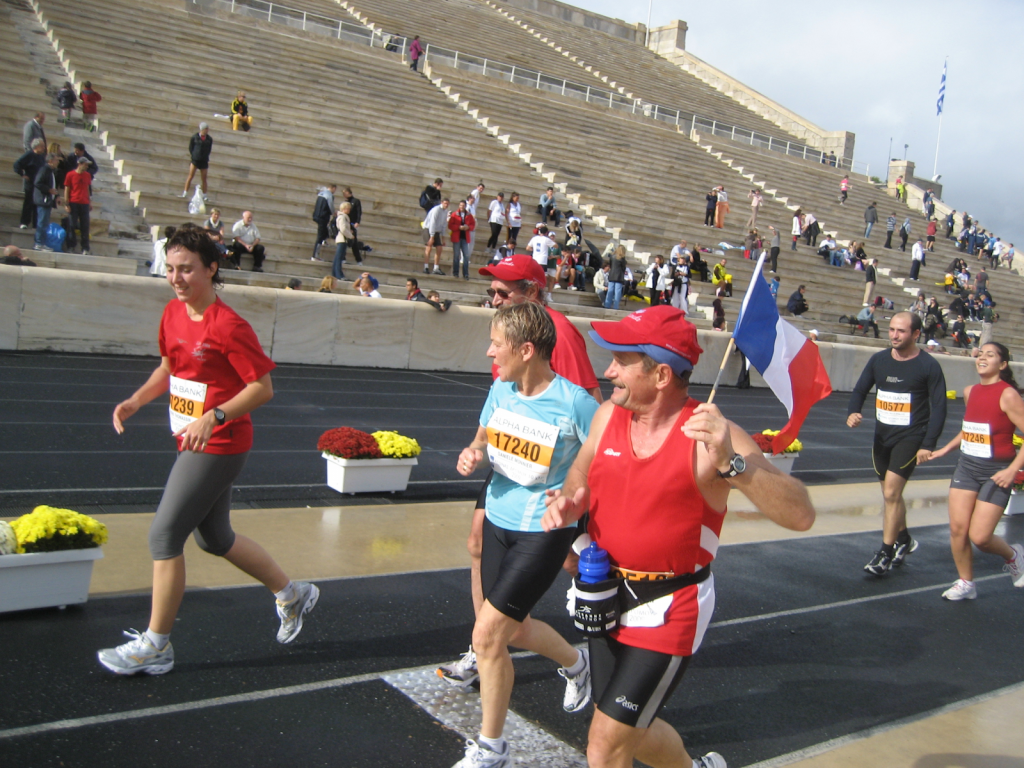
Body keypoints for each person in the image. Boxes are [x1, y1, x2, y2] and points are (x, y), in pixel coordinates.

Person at [541, 304, 815, 768]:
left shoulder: (712, 437)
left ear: (662, 375)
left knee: (605, 745)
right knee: (630, 729)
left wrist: (732, 464)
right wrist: (571, 503)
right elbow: (580, 475)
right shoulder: (608, 415)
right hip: (602, 591)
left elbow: (801, 513)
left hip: (668, 606)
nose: (608, 371)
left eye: (621, 361)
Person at [98, 224, 319, 675]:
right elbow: (169, 368)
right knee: (215, 538)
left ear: (211, 269)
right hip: (190, 437)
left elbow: (262, 388)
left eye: (186, 269)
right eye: (170, 269)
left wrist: (214, 416)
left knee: (163, 536)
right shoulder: (172, 313)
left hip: (221, 442)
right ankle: (291, 593)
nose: (176, 278)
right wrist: (136, 400)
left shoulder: (228, 326)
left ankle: (156, 645)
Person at [436, 254, 601, 698]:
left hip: (548, 487)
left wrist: (576, 495)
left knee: (551, 566)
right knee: (478, 542)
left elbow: (593, 413)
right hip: (508, 474)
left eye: (503, 291)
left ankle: (492, 638)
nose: (494, 297)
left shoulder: (558, 335)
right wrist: (475, 450)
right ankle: (486, 643)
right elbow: (490, 423)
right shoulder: (505, 352)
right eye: (491, 291)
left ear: (531, 292)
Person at [920, 343, 1024, 599]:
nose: (982, 357)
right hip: (967, 467)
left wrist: (1012, 470)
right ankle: (966, 583)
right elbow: (970, 428)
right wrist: (946, 449)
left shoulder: (1008, 395)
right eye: (980, 353)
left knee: (980, 537)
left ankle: (1014, 555)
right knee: (957, 529)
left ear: (1002, 364)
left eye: (991, 354)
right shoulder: (970, 391)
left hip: (996, 471)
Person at [847, 312, 947, 575]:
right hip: (882, 437)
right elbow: (860, 389)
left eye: (901, 331)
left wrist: (928, 444)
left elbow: (939, 407)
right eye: (892, 329)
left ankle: (885, 553)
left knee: (891, 494)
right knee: (890, 495)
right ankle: (904, 540)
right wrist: (853, 411)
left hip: (911, 437)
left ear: (916, 334)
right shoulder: (879, 360)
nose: (894, 335)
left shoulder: (928, 365)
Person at [61, 156, 94, 255]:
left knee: (85, 226)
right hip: (73, 202)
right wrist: (66, 203)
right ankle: (71, 246)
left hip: (84, 203)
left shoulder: (87, 175)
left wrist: (89, 202)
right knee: (71, 225)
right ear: (80, 164)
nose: (87, 167)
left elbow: (87, 189)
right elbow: (67, 189)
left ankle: (85, 247)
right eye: (85, 164)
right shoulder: (70, 175)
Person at [13, 138, 47, 229]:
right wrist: (23, 174)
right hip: (31, 183)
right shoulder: (29, 155)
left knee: (37, 204)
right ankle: (24, 222)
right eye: (42, 146)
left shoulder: (41, 157)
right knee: (28, 203)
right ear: (37, 146)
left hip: (39, 185)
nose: (44, 148)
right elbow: (17, 164)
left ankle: (36, 224)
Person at [32, 153, 60, 251]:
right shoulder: (44, 170)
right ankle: (39, 243)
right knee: (42, 223)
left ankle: (42, 243)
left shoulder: (50, 171)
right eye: (56, 160)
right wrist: (48, 190)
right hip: (43, 200)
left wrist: (56, 195)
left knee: (44, 223)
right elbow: (37, 182)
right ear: (50, 161)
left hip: (48, 201)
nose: (58, 162)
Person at [182, 123, 212, 200]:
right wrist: (194, 155)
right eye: (206, 129)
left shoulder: (209, 139)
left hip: (204, 160)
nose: (207, 130)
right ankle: (185, 192)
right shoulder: (194, 137)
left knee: (204, 178)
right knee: (190, 176)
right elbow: (191, 147)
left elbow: (209, 149)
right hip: (195, 160)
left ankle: (204, 195)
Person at [448, 199, 476, 280]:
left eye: (463, 205)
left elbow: (473, 224)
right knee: (456, 256)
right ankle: (455, 272)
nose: (461, 207)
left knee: (466, 256)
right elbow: (450, 225)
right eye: (460, 205)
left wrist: (468, 227)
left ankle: (466, 274)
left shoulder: (469, 215)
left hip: (465, 238)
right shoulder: (454, 214)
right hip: (457, 237)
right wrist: (458, 227)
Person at [422, 197, 449, 275]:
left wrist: (443, 238)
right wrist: (432, 237)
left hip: (437, 231)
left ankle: (436, 268)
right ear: (442, 203)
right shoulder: (436, 210)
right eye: (445, 203)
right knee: (429, 247)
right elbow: (432, 223)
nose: (446, 205)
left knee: (439, 248)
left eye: (447, 204)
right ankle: (426, 267)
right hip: (428, 229)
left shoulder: (445, 212)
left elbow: (444, 225)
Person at [526, 225, 557, 293]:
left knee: (533, 276)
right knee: (542, 277)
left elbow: (527, 248)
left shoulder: (534, 238)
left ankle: (531, 290)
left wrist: (534, 250)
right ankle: (539, 291)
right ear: (546, 233)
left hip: (535, 259)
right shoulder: (546, 239)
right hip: (542, 260)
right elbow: (556, 246)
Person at [311, 184, 336, 261]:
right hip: (323, 217)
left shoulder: (321, 193)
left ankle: (324, 239)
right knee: (320, 236)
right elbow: (330, 205)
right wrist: (334, 213)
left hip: (317, 215)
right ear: (333, 188)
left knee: (324, 231)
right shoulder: (329, 195)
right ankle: (315, 255)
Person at [341, 186, 364, 265]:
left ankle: (359, 260)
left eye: (345, 193)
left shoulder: (356, 201)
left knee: (354, 242)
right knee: (344, 241)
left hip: (352, 224)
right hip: (346, 223)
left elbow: (359, 212)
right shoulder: (345, 202)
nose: (344, 195)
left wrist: (357, 222)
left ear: (348, 193)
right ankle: (343, 258)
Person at [333, 202, 354, 281]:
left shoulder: (343, 217)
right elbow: (343, 229)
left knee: (338, 257)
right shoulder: (342, 217)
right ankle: (339, 274)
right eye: (347, 208)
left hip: (342, 239)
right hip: (342, 239)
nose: (349, 210)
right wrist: (350, 235)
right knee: (339, 258)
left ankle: (335, 273)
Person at [605, 245, 627, 310]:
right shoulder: (622, 259)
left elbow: (610, 265)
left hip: (612, 275)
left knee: (610, 291)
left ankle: (607, 305)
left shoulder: (612, 257)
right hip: (619, 276)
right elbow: (623, 268)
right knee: (617, 292)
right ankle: (615, 306)